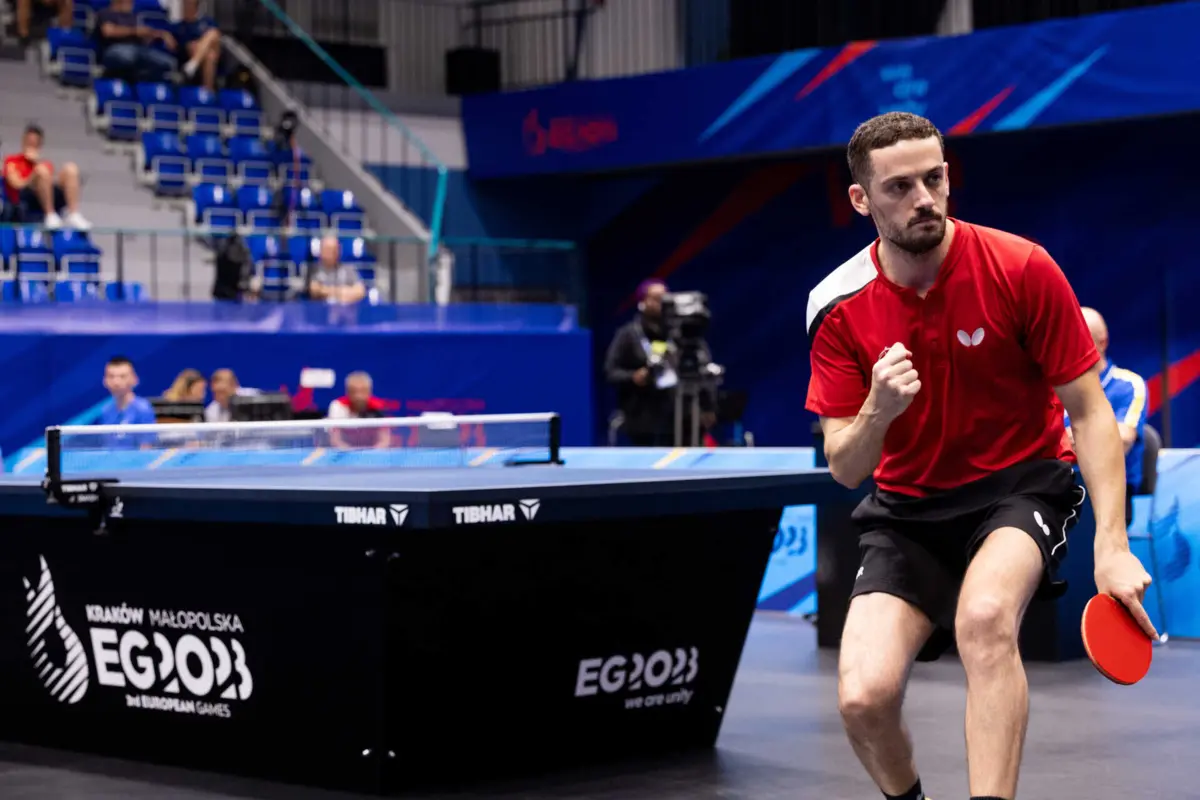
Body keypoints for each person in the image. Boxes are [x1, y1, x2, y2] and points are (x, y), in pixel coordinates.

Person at [804, 111, 1156, 800]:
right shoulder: (836, 306)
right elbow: (846, 468)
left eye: (934, 178)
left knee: (986, 619)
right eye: (900, 187)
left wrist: (1111, 546)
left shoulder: (1021, 267)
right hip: (906, 509)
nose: (925, 199)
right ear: (860, 199)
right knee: (863, 699)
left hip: (1020, 486)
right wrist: (878, 409)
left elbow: (1089, 412)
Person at [604, 279, 715, 446]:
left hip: (681, 415)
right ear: (642, 303)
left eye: (665, 299)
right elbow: (611, 371)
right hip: (643, 417)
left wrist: (707, 407)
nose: (661, 304)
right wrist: (633, 377)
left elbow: (701, 368)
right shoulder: (629, 335)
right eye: (656, 299)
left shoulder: (683, 334)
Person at [1064, 307, 1148, 527]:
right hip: (1056, 488)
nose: (1068, 346)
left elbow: (1121, 441)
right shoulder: (1051, 387)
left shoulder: (1128, 385)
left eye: (1079, 339)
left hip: (1110, 494)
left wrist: (1063, 440)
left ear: (1102, 343)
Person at [3, 124, 91, 230]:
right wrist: (34, 175)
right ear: (23, 141)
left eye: (34, 143)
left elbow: (51, 183)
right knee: (42, 171)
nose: (31, 145)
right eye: (29, 142)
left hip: (43, 196)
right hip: (23, 198)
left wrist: (36, 163)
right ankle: (49, 214)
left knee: (70, 169)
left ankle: (73, 214)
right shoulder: (12, 161)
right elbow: (16, 184)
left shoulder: (44, 164)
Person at [95, 0, 177, 84]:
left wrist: (162, 35)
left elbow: (143, 37)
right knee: (127, 57)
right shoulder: (106, 13)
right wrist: (135, 31)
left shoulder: (134, 17)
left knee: (168, 63)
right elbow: (108, 32)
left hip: (138, 50)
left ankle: (141, 82)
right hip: (114, 49)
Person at [95, 355, 157, 449]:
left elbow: (146, 448)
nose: (116, 382)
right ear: (105, 381)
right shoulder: (105, 410)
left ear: (135, 379)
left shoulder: (143, 409)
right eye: (111, 376)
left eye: (122, 376)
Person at [326, 371, 390, 450]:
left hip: (372, 454)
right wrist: (350, 453)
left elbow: (385, 440)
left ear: (369, 391)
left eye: (363, 391)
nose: (358, 396)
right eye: (354, 391)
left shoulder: (378, 407)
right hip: (345, 454)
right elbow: (335, 440)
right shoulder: (338, 406)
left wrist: (371, 453)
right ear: (347, 392)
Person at [174, 0, 223, 91]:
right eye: (184, 4)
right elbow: (183, 46)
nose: (185, 7)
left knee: (213, 34)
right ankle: (208, 92)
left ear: (195, 6)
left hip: (213, 57)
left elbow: (216, 37)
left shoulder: (207, 22)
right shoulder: (179, 26)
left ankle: (193, 65)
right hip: (188, 54)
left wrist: (201, 45)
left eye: (188, 4)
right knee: (209, 54)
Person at [307, 236, 365, 305]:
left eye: (335, 249)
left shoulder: (348, 269)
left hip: (344, 311)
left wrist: (327, 291)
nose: (333, 252)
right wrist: (344, 293)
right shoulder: (314, 269)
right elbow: (315, 290)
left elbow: (360, 291)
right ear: (321, 251)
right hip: (321, 310)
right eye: (328, 249)